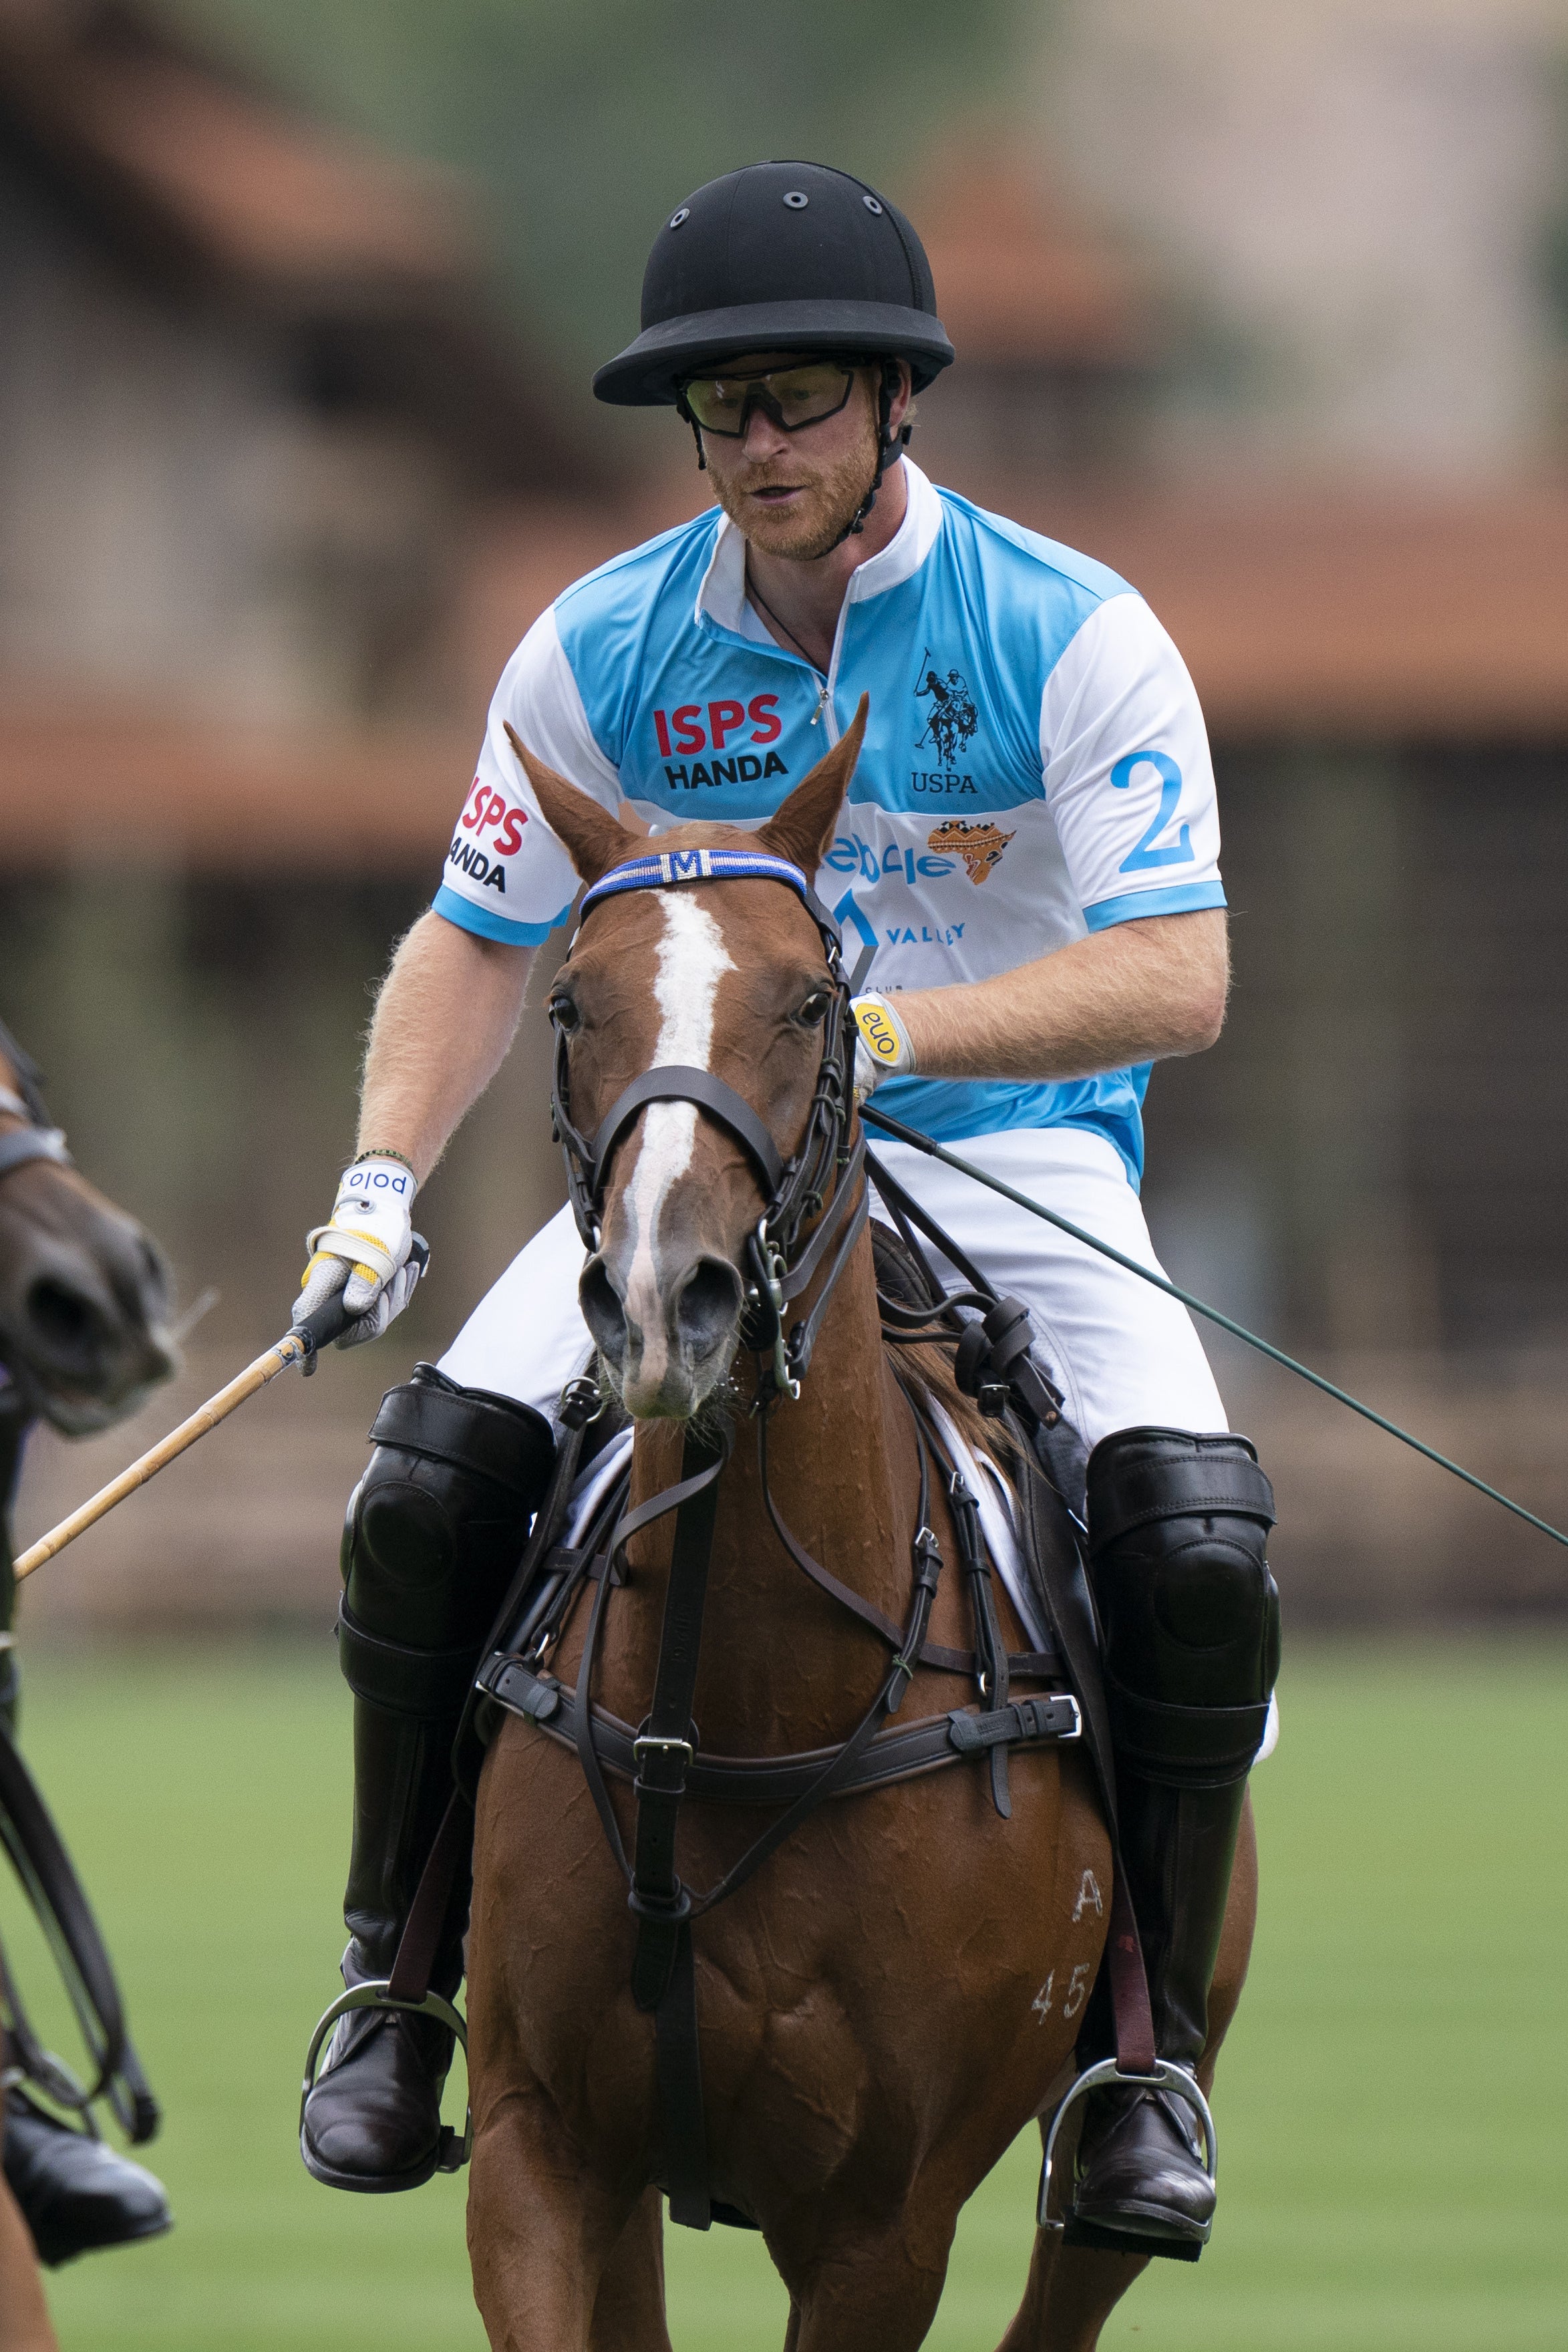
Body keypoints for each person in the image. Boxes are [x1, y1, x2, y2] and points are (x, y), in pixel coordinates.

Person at [293, 160, 1279, 2257]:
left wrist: (887, 1043)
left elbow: (1177, 973)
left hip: (1009, 1154)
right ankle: (396, 1982)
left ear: (893, 404)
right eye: (722, 408)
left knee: (1189, 1532)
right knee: (427, 1477)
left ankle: (1140, 2059)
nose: (758, 445)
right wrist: (379, 1183)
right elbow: (478, 933)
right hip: (695, 1153)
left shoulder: (1067, 629)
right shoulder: (605, 645)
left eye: (799, 400)